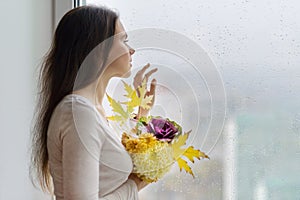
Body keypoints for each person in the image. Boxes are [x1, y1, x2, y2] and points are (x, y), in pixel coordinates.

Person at [30, 5, 158, 200]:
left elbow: (105, 172)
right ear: (97, 48)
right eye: (124, 40)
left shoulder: (90, 110)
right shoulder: (78, 113)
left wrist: (142, 113)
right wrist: (134, 185)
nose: (131, 50)